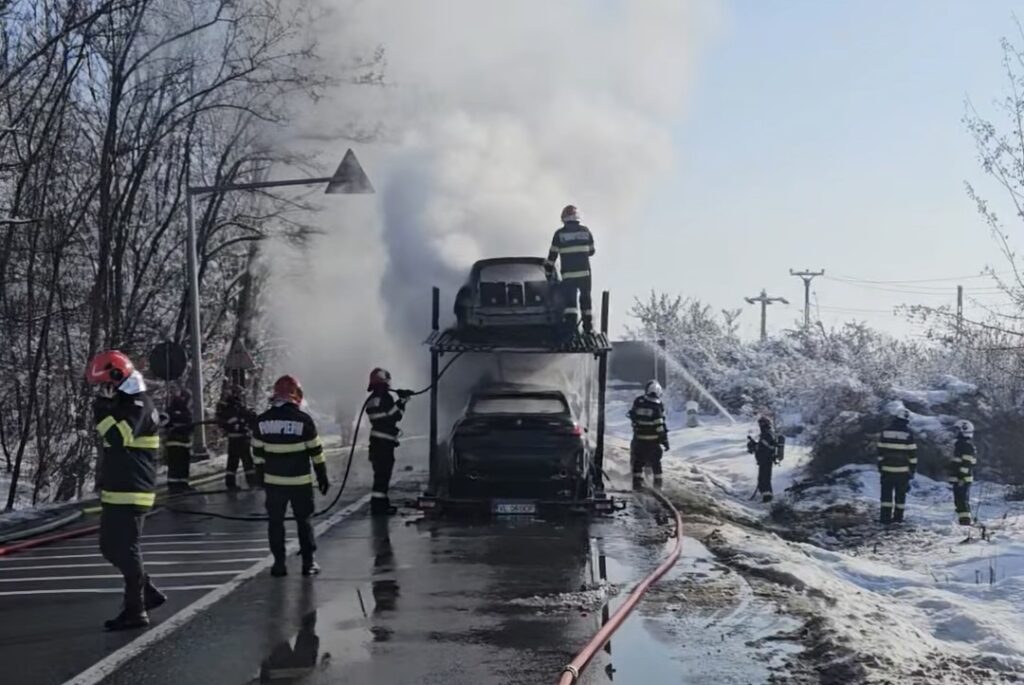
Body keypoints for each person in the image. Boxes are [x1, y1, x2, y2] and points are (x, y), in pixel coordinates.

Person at [85, 350, 166, 630]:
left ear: (117, 377)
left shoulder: (138, 405)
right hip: (117, 488)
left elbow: (118, 438)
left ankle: (135, 611)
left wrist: (102, 411)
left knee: (128, 549)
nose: (102, 391)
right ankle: (147, 592)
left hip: (133, 490)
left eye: (104, 384)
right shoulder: (125, 402)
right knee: (109, 547)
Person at [252, 375, 328, 577]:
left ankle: (279, 564)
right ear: (297, 395)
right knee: (304, 521)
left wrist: (260, 478)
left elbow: (258, 455)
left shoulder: (262, 421)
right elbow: (316, 453)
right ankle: (308, 563)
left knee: (275, 522)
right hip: (300, 483)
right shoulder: (304, 421)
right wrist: (322, 476)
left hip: (273, 483)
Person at [366, 368, 411, 515]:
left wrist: (399, 401)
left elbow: (385, 415)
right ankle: (380, 508)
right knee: (383, 477)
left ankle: (379, 505)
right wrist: (403, 401)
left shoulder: (373, 398)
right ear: (384, 382)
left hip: (376, 443)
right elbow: (394, 416)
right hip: (384, 444)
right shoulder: (385, 397)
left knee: (379, 476)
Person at [544, 204, 596, 332]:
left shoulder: (559, 234)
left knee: (570, 304)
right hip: (585, 274)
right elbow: (591, 251)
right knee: (586, 300)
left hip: (568, 275)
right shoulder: (585, 232)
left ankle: (571, 329)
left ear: (564, 218)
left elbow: (552, 256)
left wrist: (548, 271)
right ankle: (588, 328)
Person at [877, 406, 918, 525]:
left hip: (887, 470)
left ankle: (884, 519)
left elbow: (880, 451)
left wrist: (881, 466)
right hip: (902, 472)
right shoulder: (908, 433)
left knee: (886, 496)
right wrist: (912, 471)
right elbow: (913, 455)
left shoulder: (885, 431)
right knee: (900, 497)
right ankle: (898, 519)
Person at [628, 380, 669, 489]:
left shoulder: (639, 401)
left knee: (638, 462)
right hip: (653, 442)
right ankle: (657, 485)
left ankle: (636, 484)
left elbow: (632, 416)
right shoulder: (657, 406)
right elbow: (659, 425)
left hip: (639, 439)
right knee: (656, 464)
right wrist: (665, 440)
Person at [216, 384, 257, 490]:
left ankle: (231, 483)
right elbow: (241, 418)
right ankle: (251, 482)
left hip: (234, 438)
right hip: (241, 438)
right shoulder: (234, 407)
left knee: (233, 461)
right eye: (240, 394)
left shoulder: (229, 407)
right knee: (247, 460)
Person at [164, 389, 193, 493]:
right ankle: (176, 486)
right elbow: (165, 422)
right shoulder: (175, 410)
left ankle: (181, 485)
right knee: (177, 464)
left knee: (181, 465)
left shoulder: (182, 410)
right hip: (176, 442)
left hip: (183, 442)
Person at [949, 419, 977, 526]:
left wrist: (961, 477)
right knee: (959, 501)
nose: (955, 433)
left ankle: (965, 524)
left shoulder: (966, 445)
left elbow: (967, 463)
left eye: (957, 430)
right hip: (961, 478)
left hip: (963, 478)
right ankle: (964, 522)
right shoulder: (961, 444)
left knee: (962, 501)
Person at [747, 416, 779, 503]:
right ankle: (766, 497)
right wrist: (753, 445)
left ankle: (768, 498)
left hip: (766, 460)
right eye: (760, 423)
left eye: (762, 423)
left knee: (764, 479)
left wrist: (754, 446)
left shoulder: (767, 434)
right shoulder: (766, 433)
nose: (760, 425)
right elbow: (762, 446)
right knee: (762, 479)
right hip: (764, 460)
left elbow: (766, 447)